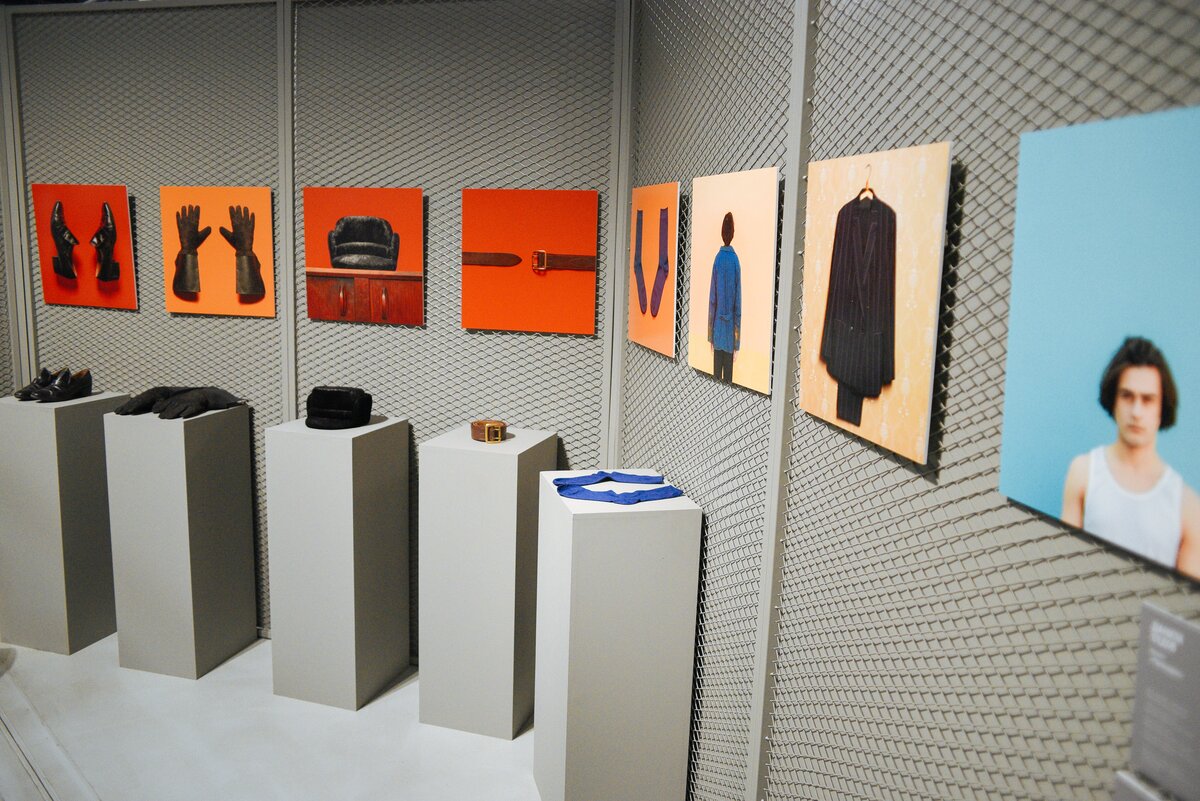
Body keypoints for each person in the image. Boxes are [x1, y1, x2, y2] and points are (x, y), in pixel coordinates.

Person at [1062, 337, 1200, 578]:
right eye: (1127, 396)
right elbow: (1062, 562)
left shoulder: (1187, 505)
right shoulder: (1083, 472)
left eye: (1148, 399)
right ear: (1114, 400)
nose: (1136, 412)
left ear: (1162, 407)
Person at [707, 212, 741, 383]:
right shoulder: (735, 261)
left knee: (715, 378)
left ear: (722, 232)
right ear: (733, 233)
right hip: (729, 334)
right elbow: (738, 304)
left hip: (717, 330)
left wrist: (710, 335)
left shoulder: (718, 259)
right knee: (728, 380)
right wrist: (737, 342)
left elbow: (712, 301)